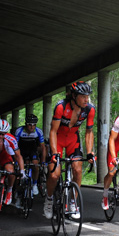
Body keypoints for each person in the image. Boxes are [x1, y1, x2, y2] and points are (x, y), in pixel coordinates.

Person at [43, 81, 96, 220]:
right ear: (74, 96)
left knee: (77, 170)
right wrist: (54, 153)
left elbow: (89, 132)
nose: (87, 99)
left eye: (88, 96)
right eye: (83, 96)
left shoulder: (89, 109)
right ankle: (49, 199)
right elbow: (53, 131)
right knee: (54, 175)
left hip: (73, 139)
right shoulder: (61, 107)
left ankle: (73, 202)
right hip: (58, 139)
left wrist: (90, 152)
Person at [14, 113, 47, 199]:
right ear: (26, 124)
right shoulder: (19, 131)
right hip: (21, 151)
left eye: (34, 125)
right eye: (29, 125)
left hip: (32, 150)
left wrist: (43, 161)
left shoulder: (38, 131)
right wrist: (15, 161)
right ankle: (17, 190)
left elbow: (43, 148)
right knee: (19, 171)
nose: (32, 127)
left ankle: (35, 184)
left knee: (36, 166)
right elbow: (14, 147)